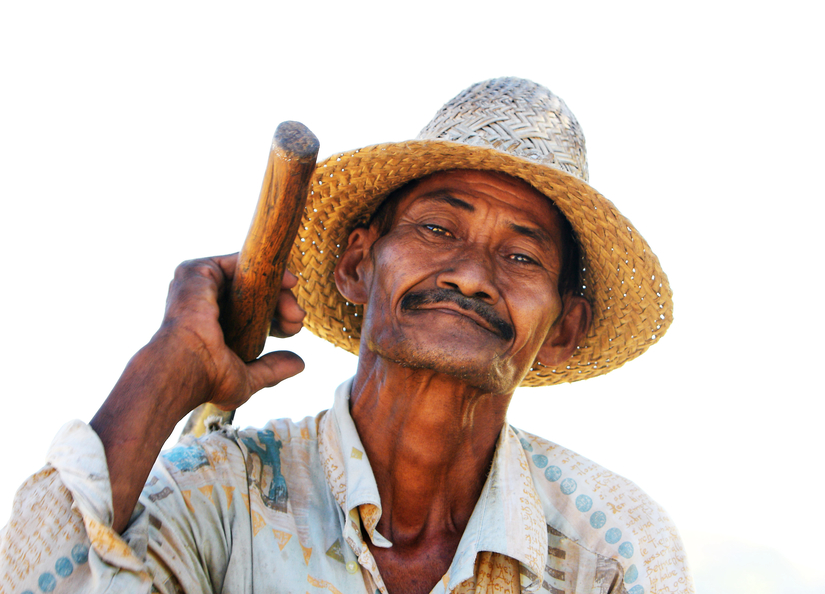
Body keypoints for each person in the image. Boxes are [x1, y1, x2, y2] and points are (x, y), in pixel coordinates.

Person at [0, 78, 692, 594]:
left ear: (564, 328)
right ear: (359, 264)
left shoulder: (615, 550)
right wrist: (163, 371)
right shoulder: (223, 498)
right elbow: (37, 579)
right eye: (436, 229)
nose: (473, 276)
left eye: (521, 257)